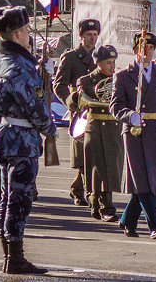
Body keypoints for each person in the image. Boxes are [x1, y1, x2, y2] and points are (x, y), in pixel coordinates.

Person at [0, 6, 56, 275]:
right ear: (17, 33)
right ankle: (15, 258)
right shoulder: (19, 65)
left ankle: (8, 254)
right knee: (19, 200)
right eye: (25, 30)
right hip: (22, 138)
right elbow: (36, 107)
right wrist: (50, 128)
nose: (28, 34)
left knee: (6, 198)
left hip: (3, 134)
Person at [110, 31, 156, 240]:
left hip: (155, 131)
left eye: (150, 48)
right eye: (141, 47)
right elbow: (115, 106)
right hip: (134, 132)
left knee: (148, 179)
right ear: (134, 51)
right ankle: (155, 225)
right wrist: (129, 116)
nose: (146, 52)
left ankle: (127, 221)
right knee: (142, 178)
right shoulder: (123, 76)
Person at [73, 45, 123, 222]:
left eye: (113, 62)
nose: (112, 66)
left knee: (110, 169)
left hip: (113, 128)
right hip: (94, 127)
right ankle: (105, 207)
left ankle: (97, 203)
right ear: (98, 63)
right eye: (108, 62)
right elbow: (79, 104)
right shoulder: (86, 81)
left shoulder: (118, 80)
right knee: (96, 169)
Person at [54, 18, 99, 207]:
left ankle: (81, 189)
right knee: (81, 152)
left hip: (97, 108)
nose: (92, 38)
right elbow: (59, 85)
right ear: (80, 36)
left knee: (95, 151)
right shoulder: (71, 57)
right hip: (79, 108)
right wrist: (70, 102)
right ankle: (82, 190)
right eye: (88, 34)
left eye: (95, 34)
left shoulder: (101, 55)